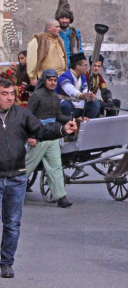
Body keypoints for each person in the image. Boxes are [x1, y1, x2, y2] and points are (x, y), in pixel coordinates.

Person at [0, 78, 76, 279]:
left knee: (12, 224)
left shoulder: (21, 114)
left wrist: (62, 130)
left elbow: (41, 130)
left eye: (11, 94)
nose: (9, 97)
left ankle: (6, 263)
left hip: (16, 178)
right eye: (4, 94)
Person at [25, 69, 73, 208]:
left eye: (54, 80)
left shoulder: (55, 97)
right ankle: (12, 192)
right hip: (39, 136)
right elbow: (28, 117)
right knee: (27, 167)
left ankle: (60, 197)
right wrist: (31, 136)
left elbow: (58, 116)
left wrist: (72, 119)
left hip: (52, 136)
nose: (53, 83)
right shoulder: (36, 96)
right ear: (44, 80)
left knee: (56, 167)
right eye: (50, 80)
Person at [55, 52, 101, 120]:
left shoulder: (82, 77)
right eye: (85, 65)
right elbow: (70, 90)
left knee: (95, 104)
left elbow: (85, 89)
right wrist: (82, 96)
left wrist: (90, 95)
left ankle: (86, 124)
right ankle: (70, 127)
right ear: (78, 67)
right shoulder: (64, 76)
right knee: (66, 105)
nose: (87, 67)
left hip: (77, 103)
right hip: (64, 103)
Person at [26, 19, 67, 87]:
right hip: (45, 79)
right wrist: (32, 77)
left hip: (60, 77)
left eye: (59, 27)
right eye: (56, 27)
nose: (59, 29)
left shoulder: (59, 40)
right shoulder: (38, 39)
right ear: (48, 28)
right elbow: (31, 59)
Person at [54, 0, 82, 67]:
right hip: (55, 67)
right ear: (58, 18)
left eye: (67, 18)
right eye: (62, 18)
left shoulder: (75, 33)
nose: (64, 20)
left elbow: (79, 50)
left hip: (71, 67)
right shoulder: (52, 32)